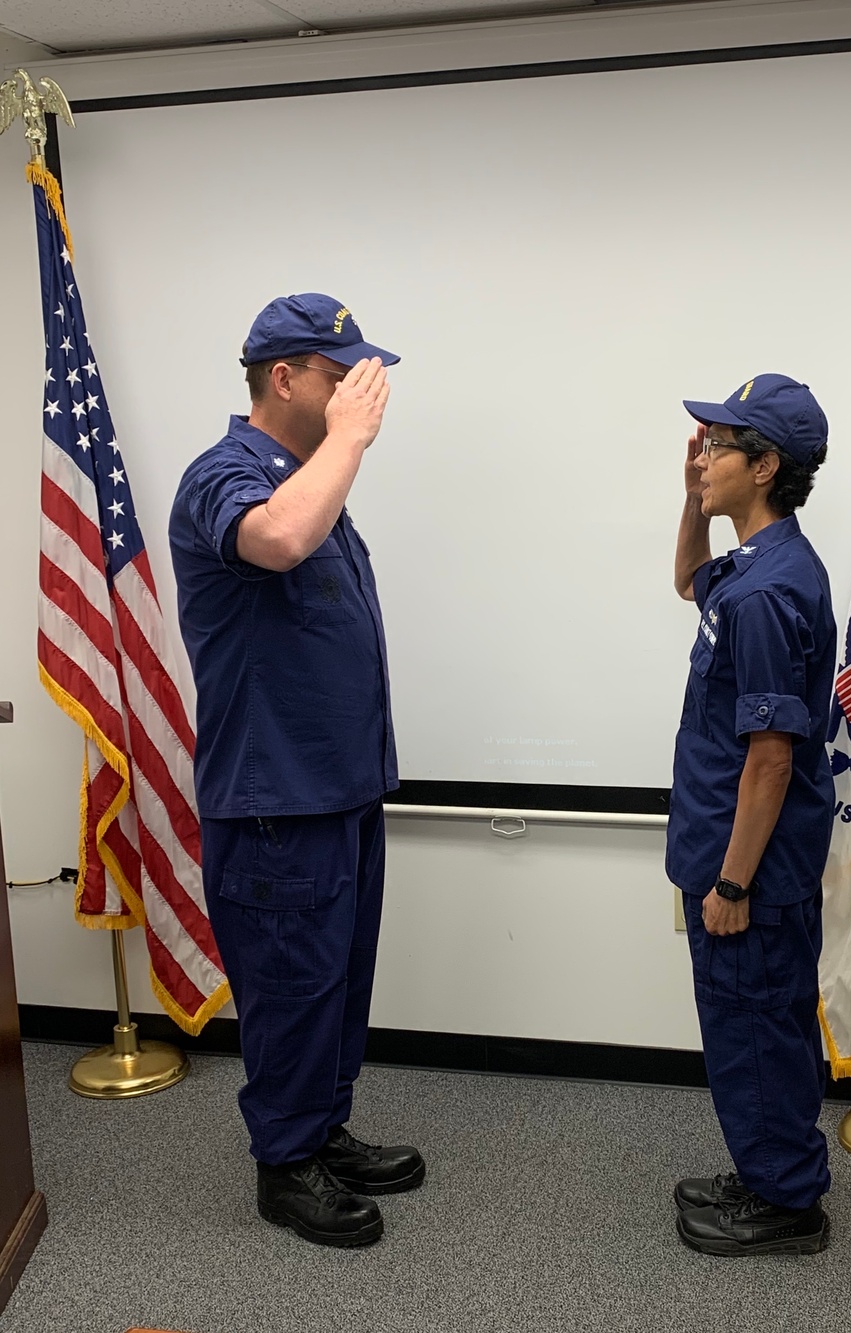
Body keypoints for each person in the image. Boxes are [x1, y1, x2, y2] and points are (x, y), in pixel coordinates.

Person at [169, 292, 424, 1248]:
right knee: (290, 981)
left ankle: (322, 1129)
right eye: (338, 372)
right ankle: (285, 1164)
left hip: (340, 787)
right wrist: (349, 442)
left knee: (338, 977)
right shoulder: (224, 475)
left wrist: (336, 454)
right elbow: (274, 541)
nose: (362, 386)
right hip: (277, 797)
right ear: (284, 378)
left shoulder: (310, 479)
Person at [666, 374, 836, 1257]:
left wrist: (732, 880)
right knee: (747, 1025)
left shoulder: (770, 593)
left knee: (759, 1024)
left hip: (750, 870)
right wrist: (689, 495)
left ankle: (787, 1203)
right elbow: (689, 579)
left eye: (719, 447)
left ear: (764, 466)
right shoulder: (751, 568)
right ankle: (767, 1163)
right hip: (725, 849)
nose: (705, 458)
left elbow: (771, 757)